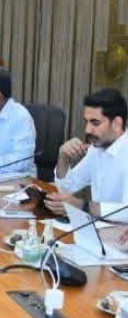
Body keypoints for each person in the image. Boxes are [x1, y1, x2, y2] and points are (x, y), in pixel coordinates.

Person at [46, 88, 128, 220]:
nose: (87, 130)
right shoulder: (96, 149)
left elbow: (125, 211)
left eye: (95, 123)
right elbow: (67, 187)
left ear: (117, 124)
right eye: (87, 122)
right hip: (97, 226)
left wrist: (83, 206)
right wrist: (63, 157)